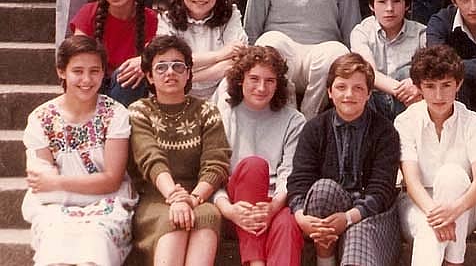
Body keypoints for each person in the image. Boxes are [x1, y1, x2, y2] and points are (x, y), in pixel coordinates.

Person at [21, 36, 136, 266]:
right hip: (55, 209)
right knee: (55, 239)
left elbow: (112, 181)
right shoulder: (41, 118)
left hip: (107, 205)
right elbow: (42, 186)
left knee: (96, 240)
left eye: (94, 71)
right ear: (61, 71)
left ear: (104, 73)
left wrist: (58, 183)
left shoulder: (115, 114)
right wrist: (66, 185)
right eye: (77, 71)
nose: (86, 80)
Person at [286, 54, 402, 266]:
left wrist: (348, 218)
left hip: (370, 215)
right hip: (326, 211)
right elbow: (299, 181)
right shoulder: (314, 128)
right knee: (322, 190)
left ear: (368, 94)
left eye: (358, 88)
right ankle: (325, 260)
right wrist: (301, 217)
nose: (349, 94)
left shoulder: (385, 132)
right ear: (330, 92)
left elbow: (382, 190)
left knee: (357, 241)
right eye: (341, 87)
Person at [129, 35, 231, 266]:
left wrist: (192, 199)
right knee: (173, 222)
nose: (170, 72)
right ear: (149, 76)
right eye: (161, 67)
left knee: (207, 216)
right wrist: (175, 198)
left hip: (198, 195)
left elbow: (216, 162)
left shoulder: (206, 111)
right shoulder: (140, 111)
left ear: (188, 73)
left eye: (178, 66)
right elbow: (150, 158)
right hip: (154, 197)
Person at [394, 45, 476, 265]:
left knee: (452, 175)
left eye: (446, 85)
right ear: (419, 87)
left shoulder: (474, 122)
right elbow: (411, 181)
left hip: (464, 204)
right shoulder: (405, 122)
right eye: (430, 86)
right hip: (417, 203)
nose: (439, 95)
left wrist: (453, 211)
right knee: (429, 229)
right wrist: (438, 216)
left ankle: (453, 260)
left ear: (459, 84)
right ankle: (455, 262)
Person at [214, 45, 306, 266]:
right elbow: (213, 171)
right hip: (234, 206)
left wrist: (274, 207)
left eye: (270, 81)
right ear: (240, 80)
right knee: (254, 166)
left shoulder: (294, 121)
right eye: (254, 79)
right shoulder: (223, 116)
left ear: (278, 84)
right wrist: (229, 210)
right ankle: (255, 262)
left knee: (288, 223)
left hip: (275, 203)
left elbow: (289, 173)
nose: (261, 88)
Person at [71, 0, 158, 106]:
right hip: (92, 84)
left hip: (128, 89)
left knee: (130, 73)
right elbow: (76, 59)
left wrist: (143, 61)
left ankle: (117, 117)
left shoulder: (151, 19)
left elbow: (157, 58)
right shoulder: (88, 13)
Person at [156, 0, 247, 101]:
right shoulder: (167, 18)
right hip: (178, 92)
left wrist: (187, 77)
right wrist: (219, 55)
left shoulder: (230, 14)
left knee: (232, 81)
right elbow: (169, 61)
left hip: (219, 91)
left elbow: (236, 61)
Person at [351, 0, 427, 120]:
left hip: (408, 101)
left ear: (407, 5)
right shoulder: (362, 32)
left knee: (410, 74)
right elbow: (370, 73)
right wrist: (402, 89)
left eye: (396, 1)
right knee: (359, 81)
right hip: (374, 101)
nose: (389, 9)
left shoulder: (421, 33)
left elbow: (430, 73)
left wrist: (415, 84)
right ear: (372, 5)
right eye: (382, 1)